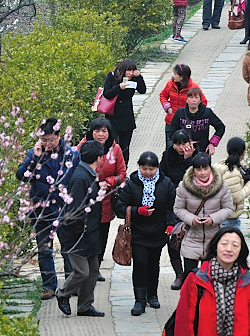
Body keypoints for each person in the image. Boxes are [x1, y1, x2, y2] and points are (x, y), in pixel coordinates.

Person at [15, 117, 80, 300]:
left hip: (65, 208)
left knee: (68, 248)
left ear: (59, 136)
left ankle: (71, 284)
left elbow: (78, 179)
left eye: (50, 139)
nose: (47, 144)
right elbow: (21, 175)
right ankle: (49, 286)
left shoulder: (71, 155)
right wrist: (35, 158)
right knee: (44, 250)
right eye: (44, 140)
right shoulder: (33, 153)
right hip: (41, 209)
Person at [114, 151, 178, 315]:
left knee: (153, 264)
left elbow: (173, 206)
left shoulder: (166, 183)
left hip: (158, 231)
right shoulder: (131, 184)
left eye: (151, 169)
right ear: (139, 167)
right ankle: (139, 300)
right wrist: (137, 211)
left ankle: (152, 295)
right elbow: (120, 208)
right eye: (144, 168)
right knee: (141, 264)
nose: (147, 172)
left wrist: (171, 224)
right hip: (138, 232)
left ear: (157, 168)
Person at [56, 140, 108, 317]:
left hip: (91, 231)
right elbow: (75, 209)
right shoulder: (81, 177)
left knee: (93, 270)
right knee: (82, 271)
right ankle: (62, 293)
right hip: (77, 234)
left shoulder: (89, 174)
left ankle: (85, 306)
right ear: (99, 157)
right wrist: (81, 231)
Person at [79, 117, 127, 282]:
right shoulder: (83, 146)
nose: (100, 134)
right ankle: (84, 269)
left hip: (105, 198)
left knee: (102, 234)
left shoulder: (115, 149)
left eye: (104, 131)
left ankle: (96, 268)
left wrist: (109, 182)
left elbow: (122, 174)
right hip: (86, 197)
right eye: (97, 131)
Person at [173, 153, 235, 279]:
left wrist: (213, 219)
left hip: (213, 239)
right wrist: (191, 219)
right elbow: (178, 209)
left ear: (210, 168)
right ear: (193, 170)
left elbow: (228, 208)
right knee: (190, 280)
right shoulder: (184, 186)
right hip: (191, 238)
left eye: (205, 168)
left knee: (210, 281)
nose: (202, 173)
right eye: (198, 169)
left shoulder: (221, 186)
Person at [161, 129, 197, 289]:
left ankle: (193, 275)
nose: (182, 147)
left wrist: (188, 160)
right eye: (178, 144)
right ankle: (179, 274)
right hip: (173, 202)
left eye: (185, 143)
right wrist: (171, 188)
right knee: (174, 239)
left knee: (192, 240)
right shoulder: (167, 155)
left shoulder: (198, 155)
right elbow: (162, 176)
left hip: (192, 204)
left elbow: (198, 176)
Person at [102, 58, 146, 165]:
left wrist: (139, 77)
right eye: (128, 70)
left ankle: (123, 170)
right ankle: (109, 168)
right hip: (113, 116)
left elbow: (142, 90)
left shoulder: (134, 79)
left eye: (132, 71)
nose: (130, 73)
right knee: (111, 145)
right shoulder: (112, 76)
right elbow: (106, 93)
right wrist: (118, 88)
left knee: (125, 147)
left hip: (127, 118)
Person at [215, 138, 250, 231]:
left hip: (221, 215)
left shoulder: (220, 165)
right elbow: (236, 197)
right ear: (244, 152)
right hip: (229, 219)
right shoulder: (232, 172)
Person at [170, 87, 226, 155]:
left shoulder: (207, 113)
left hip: (203, 151)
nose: (193, 100)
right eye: (191, 97)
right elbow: (171, 132)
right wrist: (180, 145)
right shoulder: (180, 113)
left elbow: (221, 127)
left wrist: (212, 143)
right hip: (184, 152)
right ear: (186, 100)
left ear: (200, 100)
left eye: (196, 97)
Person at [159, 64, 204, 148]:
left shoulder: (193, 87)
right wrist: (167, 106)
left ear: (182, 77)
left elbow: (203, 101)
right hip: (171, 121)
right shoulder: (170, 84)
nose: (173, 76)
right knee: (170, 148)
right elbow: (163, 95)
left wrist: (194, 114)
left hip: (186, 123)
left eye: (175, 74)